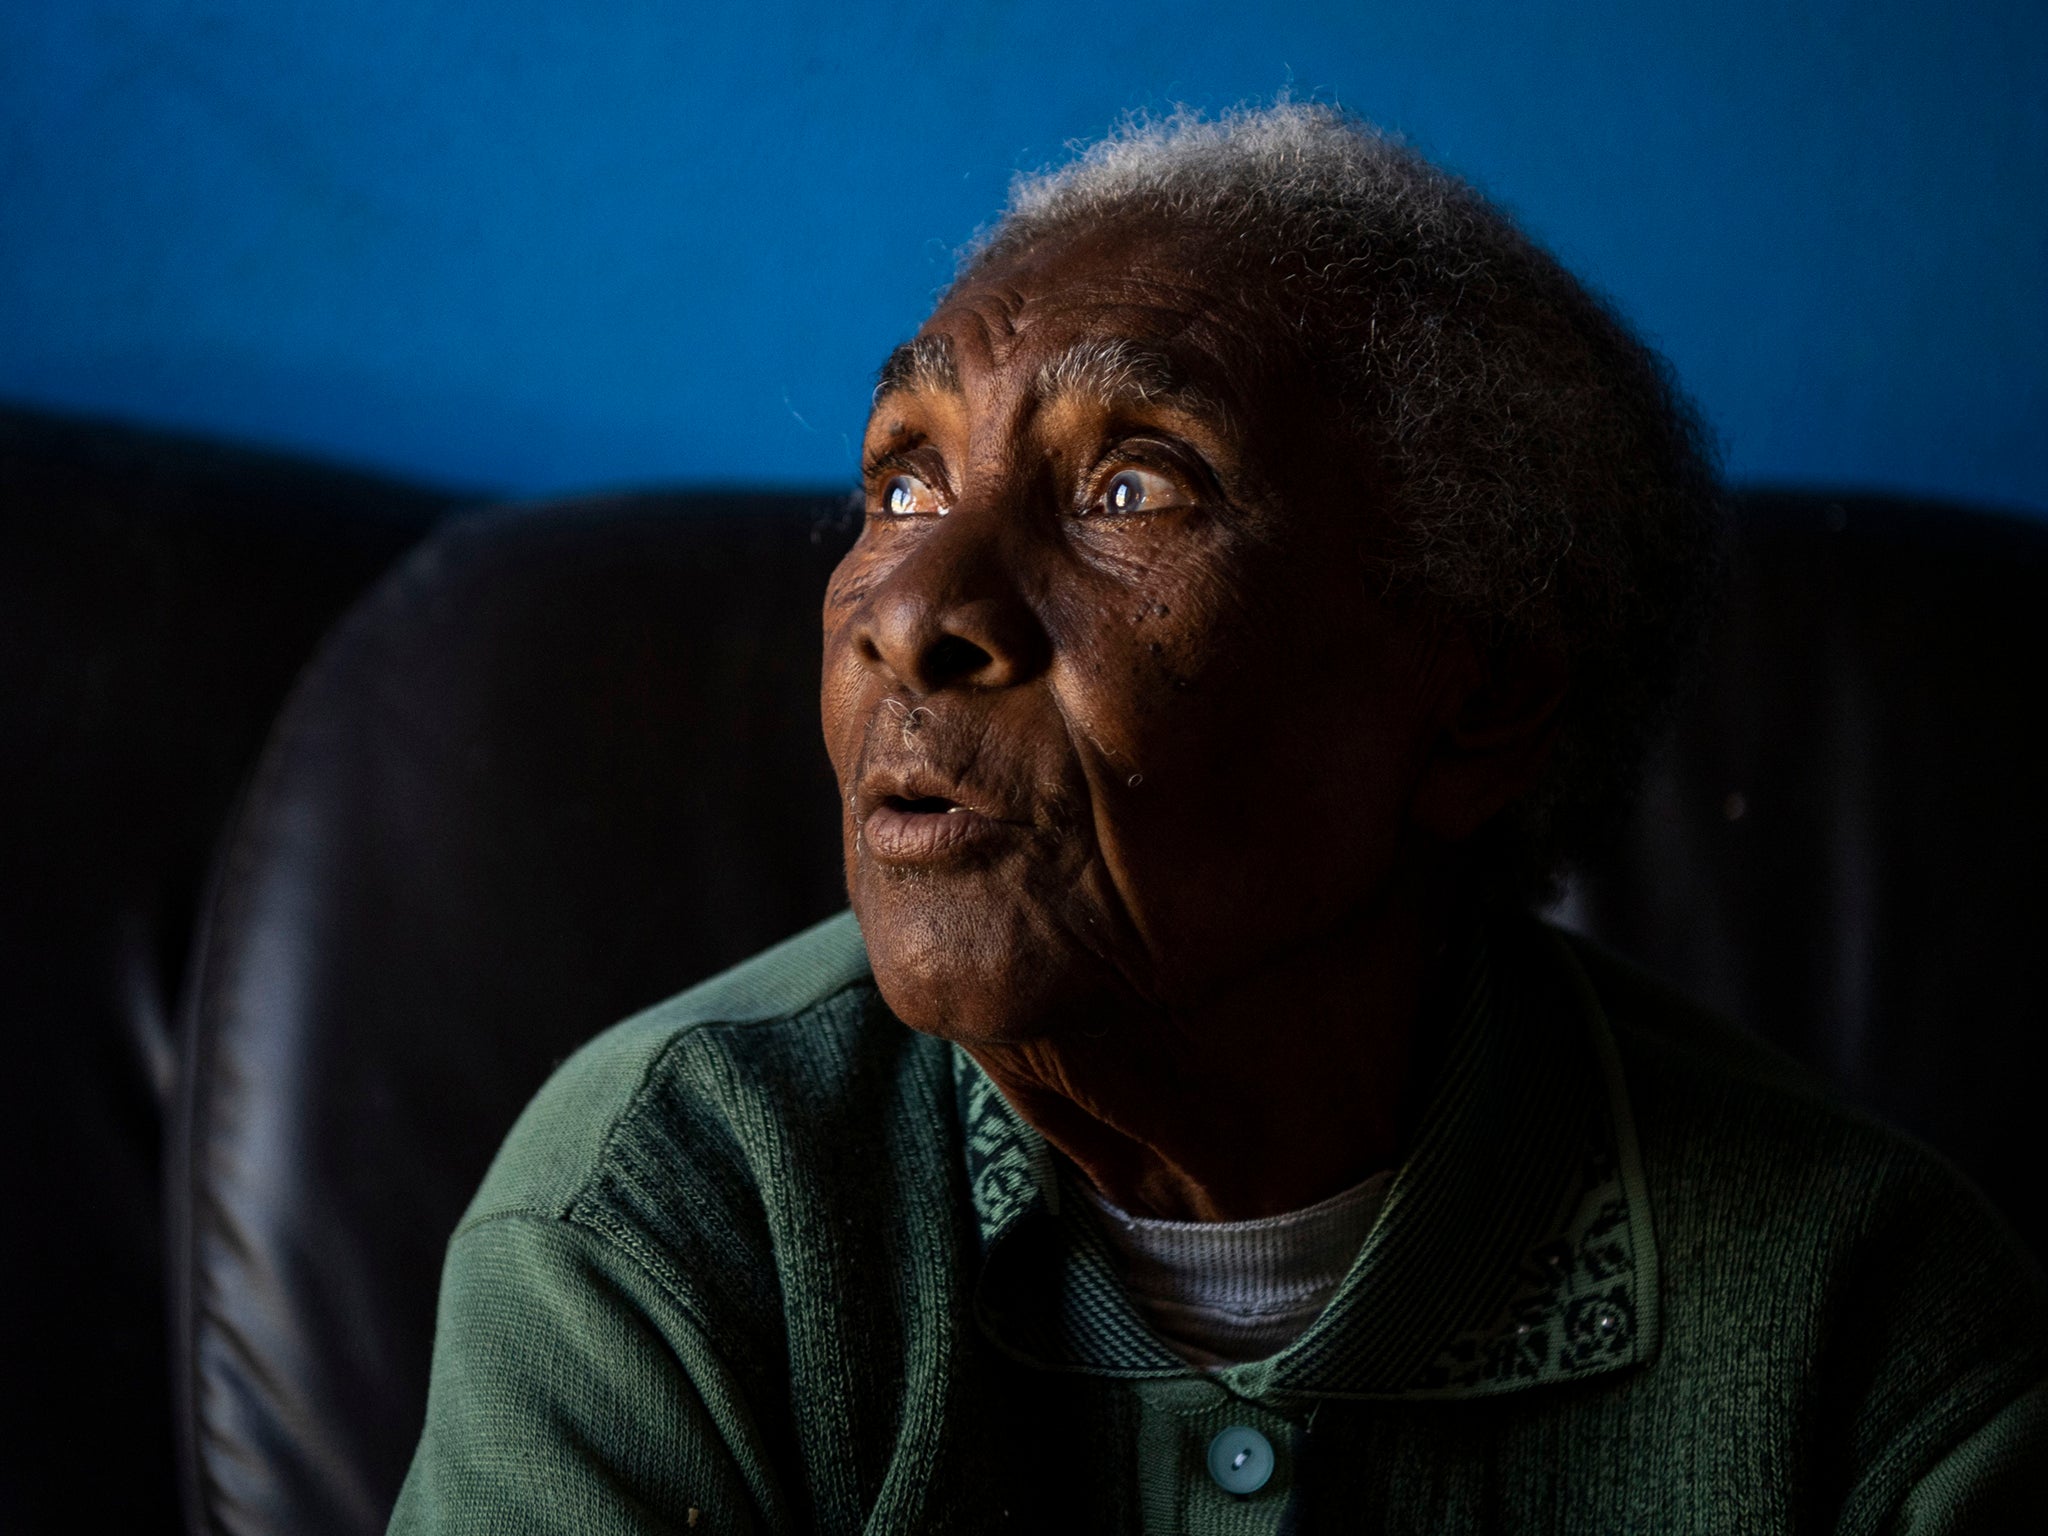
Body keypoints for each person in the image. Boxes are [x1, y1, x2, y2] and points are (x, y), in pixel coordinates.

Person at [389, 105, 2046, 1533]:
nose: (914, 609)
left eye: (1135, 486)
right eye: (903, 480)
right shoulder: (672, 1217)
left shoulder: (1867, 1336)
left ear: (1475, 696)